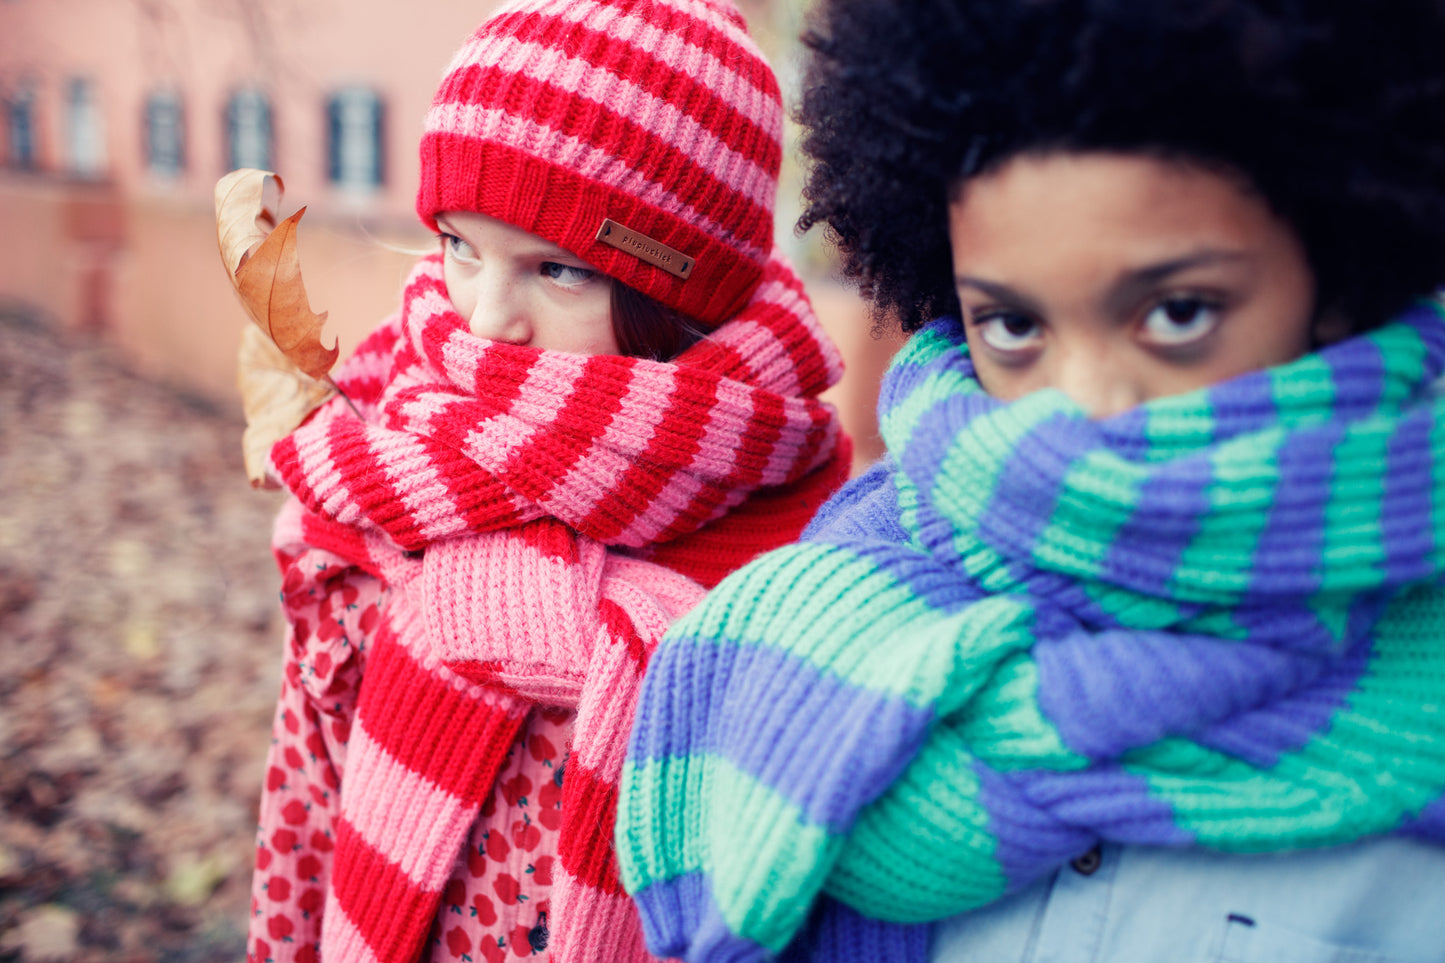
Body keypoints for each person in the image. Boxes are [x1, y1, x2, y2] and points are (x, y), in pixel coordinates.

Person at [615, 1, 1445, 960]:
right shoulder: (807, 617)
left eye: (1177, 312)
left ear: (1336, 282)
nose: (1079, 408)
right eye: (1013, 326)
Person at [243, 0, 851, 960]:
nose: (484, 319)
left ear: (676, 295)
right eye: (458, 245)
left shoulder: (808, 564)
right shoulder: (380, 447)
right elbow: (303, 819)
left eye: (558, 270)